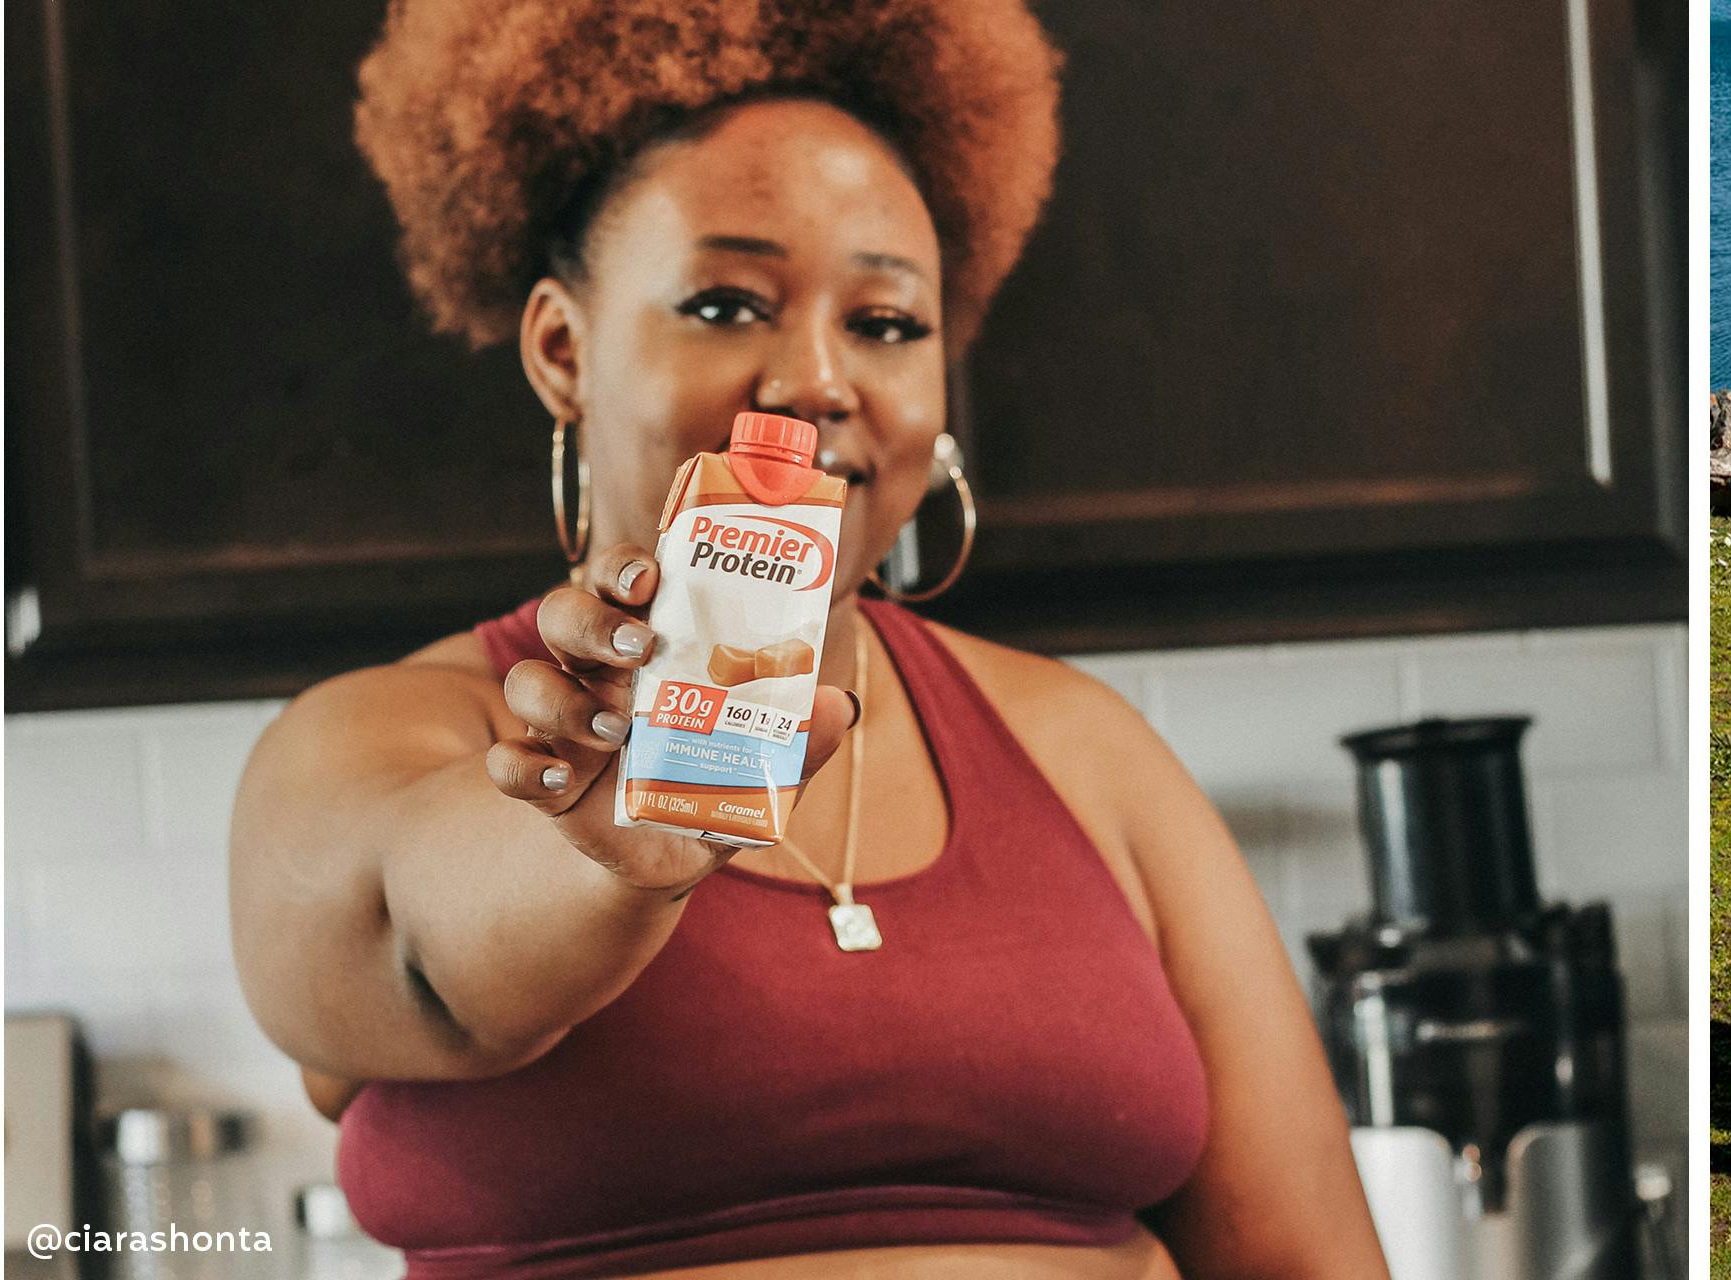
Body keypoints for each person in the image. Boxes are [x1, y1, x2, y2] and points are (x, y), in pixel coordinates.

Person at [229, 2, 1390, 1275]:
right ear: (564, 349)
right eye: (727, 304)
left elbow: (1308, 1258)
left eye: (887, 324)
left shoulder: (1085, 749)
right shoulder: (386, 733)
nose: (819, 379)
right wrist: (615, 862)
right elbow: (430, 953)